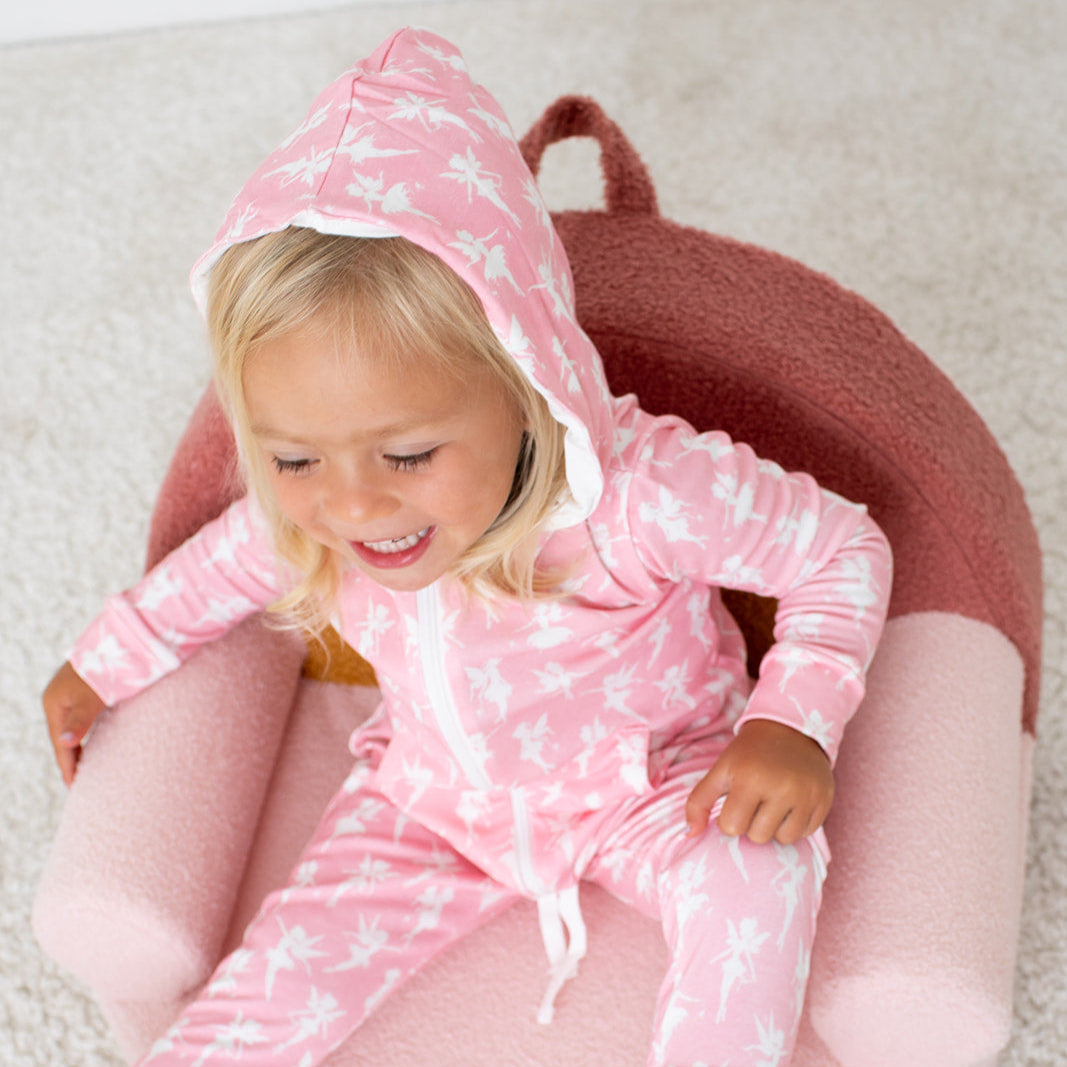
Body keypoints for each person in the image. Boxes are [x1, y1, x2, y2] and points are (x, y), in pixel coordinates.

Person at [42, 27, 892, 1067]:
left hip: (657, 780)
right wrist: (101, 662)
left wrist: (791, 722)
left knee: (759, 870)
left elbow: (838, 547)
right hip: (432, 802)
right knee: (263, 994)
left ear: (524, 380)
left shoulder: (636, 492)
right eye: (295, 458)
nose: (351, 506)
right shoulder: (323, 507)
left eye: (405, 453)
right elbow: (219, 567)